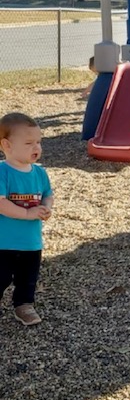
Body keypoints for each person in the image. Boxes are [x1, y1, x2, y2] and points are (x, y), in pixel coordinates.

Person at [0, 113, 53, 325]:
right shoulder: (3, 172)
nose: (36, 148)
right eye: (29, 143)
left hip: (31, 240)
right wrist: (27, 213)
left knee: (28, 278)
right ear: (7, 145)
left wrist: (46, 207)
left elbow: (48, 194)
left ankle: (23, 305)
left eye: (39, 142)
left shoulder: (39, 173)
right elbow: (1, 202)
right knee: (2, 276)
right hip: (5, 241)